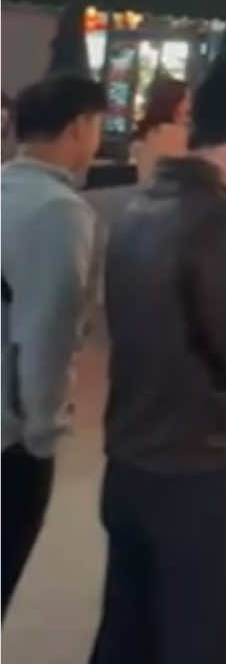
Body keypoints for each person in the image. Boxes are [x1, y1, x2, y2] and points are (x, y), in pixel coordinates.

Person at [89, 50, 226, 664]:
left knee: (128, 636)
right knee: (205, 640)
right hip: (205, 478)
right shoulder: (220, 222)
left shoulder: (140, 208)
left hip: (132, 463)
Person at [2, 71, 106, 614]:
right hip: (11, 439)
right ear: (76, 127)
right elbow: (47, 331)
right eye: (97, 125)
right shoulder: (59, 212)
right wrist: (43, 431)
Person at [130, 76, 189, 185]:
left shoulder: (148, 133)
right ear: (174, 102)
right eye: (187, 98)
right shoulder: (175, 133)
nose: (190, 104)